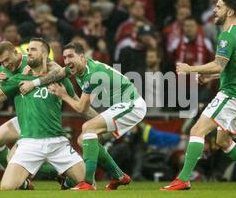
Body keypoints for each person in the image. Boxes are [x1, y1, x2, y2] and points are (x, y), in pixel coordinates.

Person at [161, 0, 236, 191]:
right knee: (223, 140)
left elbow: (218, 64)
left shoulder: (227, 35)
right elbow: (235, 68)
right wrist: (212, 78)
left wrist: (190, 68)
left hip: (231, 94)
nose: (214, 11)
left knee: (196, 131)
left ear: (230, 11)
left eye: (218, 7)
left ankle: (184, 179)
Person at [21, 41, 147, 190]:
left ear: (82, 57)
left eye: (70, 57)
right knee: (83, 140)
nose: (67, 61)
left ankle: (88, 182)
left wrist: (63, 95)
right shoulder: (77, 68)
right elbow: (58, 73)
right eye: (65, 57)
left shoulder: (92, 75)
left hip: (133, 104)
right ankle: (119, 176)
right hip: (121, 106)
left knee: (87, 128)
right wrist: (34, 83)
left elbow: (81, 107)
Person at [0, 39, 85, 190]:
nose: (5, 65)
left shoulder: (52, 71)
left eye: (7, 60)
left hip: (55, 138)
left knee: (86, 182)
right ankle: (25, 180)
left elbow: (65, 73)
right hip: (26, 125)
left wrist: (34, 83)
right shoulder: (13, 76)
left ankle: (65, 180)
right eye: (1, 62)